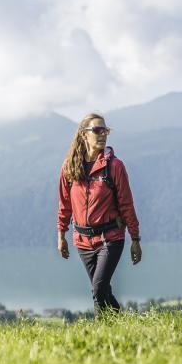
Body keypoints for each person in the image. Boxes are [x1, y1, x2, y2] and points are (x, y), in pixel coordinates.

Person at [57, 113, 142, 313]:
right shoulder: (70, 167)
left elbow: (127, 205)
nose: (102, 134)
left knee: (98, 288)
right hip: (82, 242)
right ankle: (117, 328)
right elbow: (64, 204)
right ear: (83, 135)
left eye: (105, 130)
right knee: (102, 291)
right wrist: (61, 235)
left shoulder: (114, 166)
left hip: (110, 238)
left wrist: (136, 238)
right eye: (97, 130)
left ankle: (102, 333)